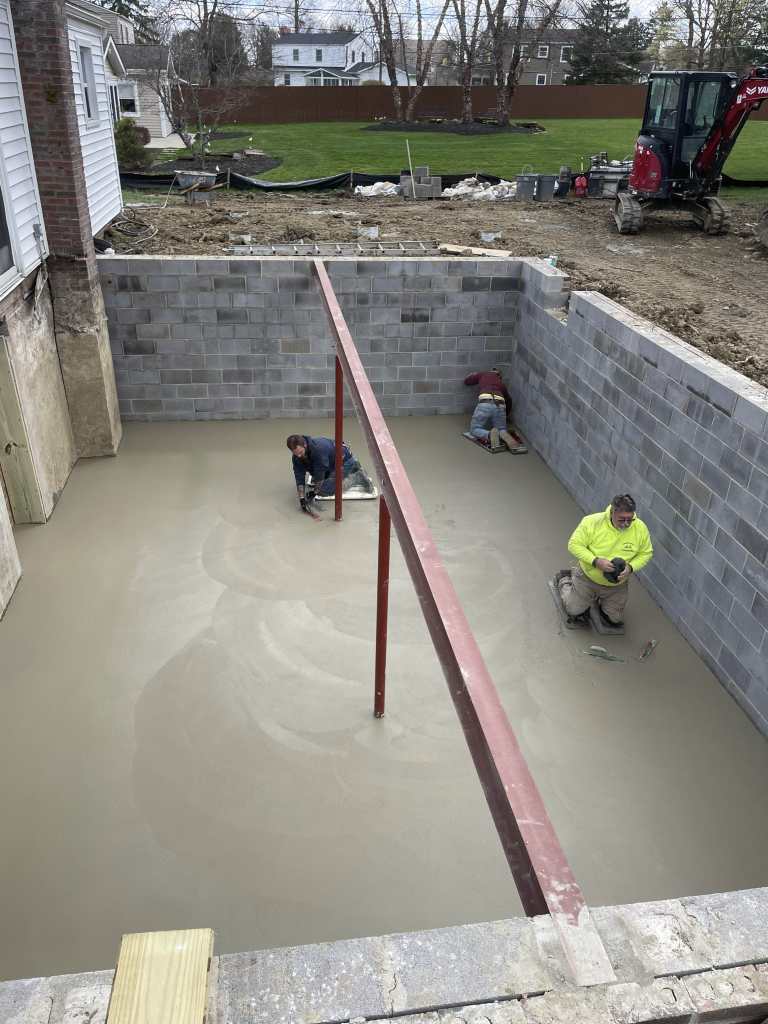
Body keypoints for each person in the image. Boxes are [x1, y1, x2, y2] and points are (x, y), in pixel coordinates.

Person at [554, 494, 653, 627]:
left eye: (630, 519)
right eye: (621, 519)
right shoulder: (592, 522)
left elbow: (646, 553)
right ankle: (565, 580)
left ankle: (601, 605)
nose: (626, 524)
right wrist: (596, 561)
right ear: (612, 512)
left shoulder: (640, 528)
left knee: (614, 619)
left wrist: (631, 567)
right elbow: (574, 544)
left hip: (616, 585)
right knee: (574, 610)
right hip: (587, 578)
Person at [286, 434, 373, 513]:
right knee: (315, 479)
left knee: (323, 490)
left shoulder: (318, 451)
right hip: (330, 462)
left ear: (305, 445)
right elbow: (299, 476)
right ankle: (352, 467)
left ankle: (357, 477)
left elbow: (319, 477)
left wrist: (314, 493)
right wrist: (301, 498)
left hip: (344, 461)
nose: (299, 456)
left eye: (300, 453)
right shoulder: (298, 455)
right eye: (296, 454)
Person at [463, 367, 525, 452]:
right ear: (499, 376)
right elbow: (509, 401)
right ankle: (503, 433)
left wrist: (470, 376)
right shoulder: (502, 385)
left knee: (474, 429)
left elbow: (467, 381)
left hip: (485, 402)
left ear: (492, 371)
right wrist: (506, 415)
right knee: (501, 428)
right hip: (500, 404)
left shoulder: (483, 374)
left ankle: (489, 434)